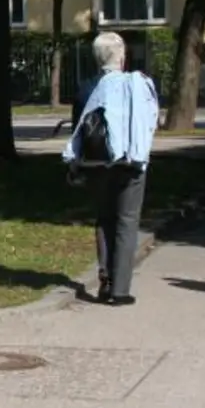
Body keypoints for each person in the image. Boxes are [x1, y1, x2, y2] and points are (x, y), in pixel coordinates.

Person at [62, 31, 159, 306]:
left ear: (96, 59)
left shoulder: (86, 89)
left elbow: (78, 129)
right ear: (123, 57)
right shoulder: (139, 84)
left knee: (104, 218)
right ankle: (120, 289)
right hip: (131, 162)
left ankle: (105, 278)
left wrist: (74, 164)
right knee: (127, 222)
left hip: (96, 162)